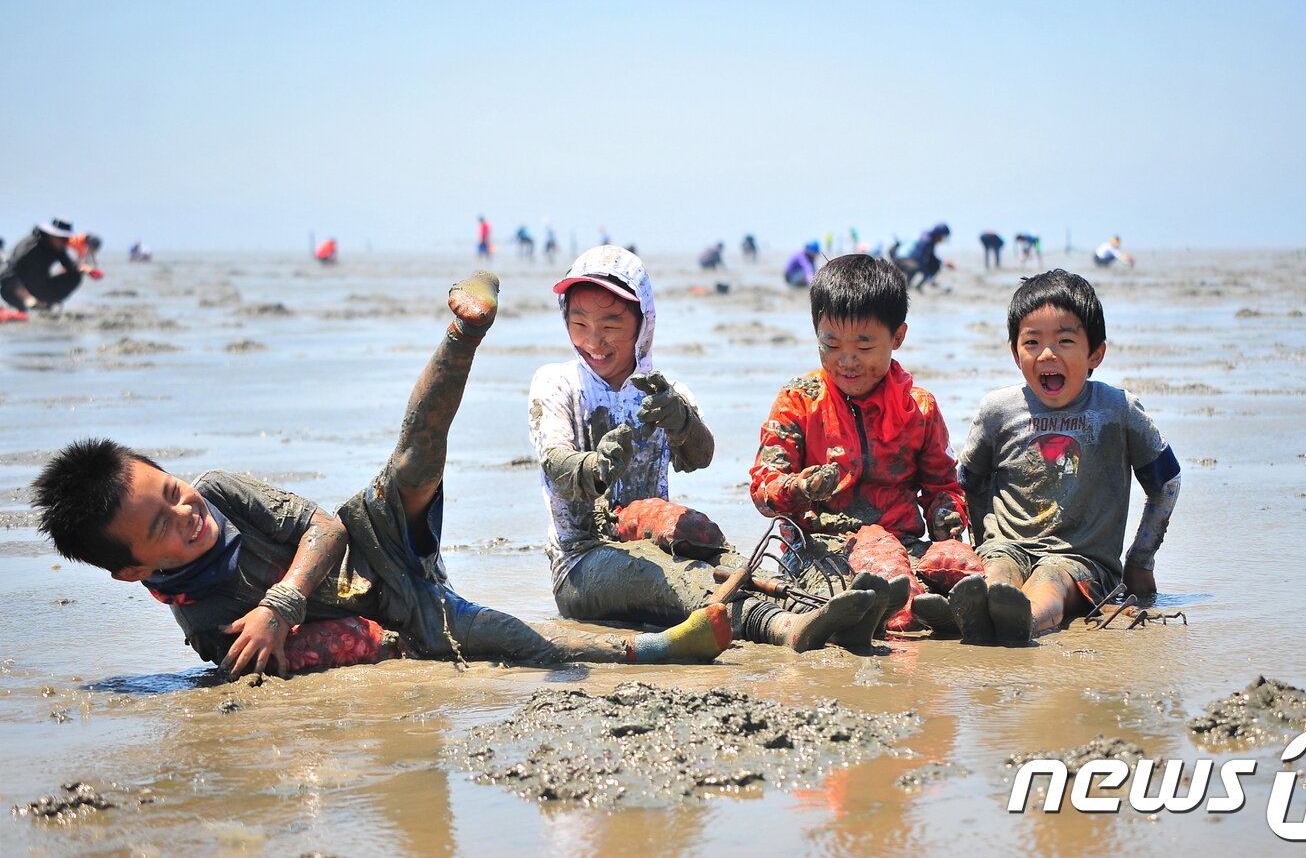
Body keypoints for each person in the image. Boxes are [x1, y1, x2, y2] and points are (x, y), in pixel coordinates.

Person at [31, 272, 732, 677]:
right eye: (163, 527)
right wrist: (370, 643)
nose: (187, 513)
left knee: (413, 459)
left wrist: (282, 600)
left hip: (373, 543)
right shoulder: (206, 620)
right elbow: (314, 652)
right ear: (134, 570)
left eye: (172, 492)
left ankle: (465, 332)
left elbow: (323, 524)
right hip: (400, 611)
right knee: (514, 639)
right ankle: (656, 647)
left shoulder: (218, 491)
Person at [528, 246, 878, 653]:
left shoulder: (664, 390)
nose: (594, 340)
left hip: (655, 538)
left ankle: (827, 612)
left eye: (611, 324)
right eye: (579, 323)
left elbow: (700, 456)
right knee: (672, 577)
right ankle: (785, 628)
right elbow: (556, 462)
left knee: (722, 558)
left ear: (643, 323)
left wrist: (682, 423)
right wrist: (592, 467)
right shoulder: (558, 383)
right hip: (582, 561)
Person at [952, 269, 1181, 645]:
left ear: (1096, 353)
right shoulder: (997, 410)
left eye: (1064, 340)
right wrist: (975, 541)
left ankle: (1021, 620)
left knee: (1051, 580)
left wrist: (1140, 560)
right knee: (997, 569)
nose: (1047, 354)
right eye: (1032, 342)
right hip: (1006, 544)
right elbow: (967, 484)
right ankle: (977, 612)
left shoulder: (1117, 410)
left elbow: (1166, 481)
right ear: (1014, 352)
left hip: (1082, 560)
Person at [750, 254, 970, 634]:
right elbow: (763, 488)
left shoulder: (919, 408)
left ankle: (966, 613)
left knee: (959, 563)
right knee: (872, 580)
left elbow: (942, 488)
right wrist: (800, 487)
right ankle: (903, 616)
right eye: (831, 345)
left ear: (897, 337)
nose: (847, 361)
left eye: (864, 347)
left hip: (905, 543)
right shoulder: (798, 401)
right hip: (817, 549)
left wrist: (947, 521)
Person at [1, 219, 97, 312]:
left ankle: (46, 305)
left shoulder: (57, 248)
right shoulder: (30, 247)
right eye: (62, 238)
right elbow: (8, 274)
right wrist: (27, 298)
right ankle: (28, 307)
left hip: (39, 285)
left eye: (67, 239)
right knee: (17, 292)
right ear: (51, 235)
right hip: (15, 288)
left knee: (75, 276)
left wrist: (84, 269)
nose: (65, 242)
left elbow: (70, 266)